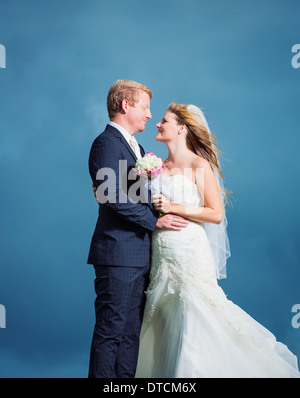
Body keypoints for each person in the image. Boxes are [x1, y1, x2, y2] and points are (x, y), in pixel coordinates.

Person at [135, 103, 300, 378]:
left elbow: (215, 212)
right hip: (161, 254)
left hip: (188, 250)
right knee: (163, 320)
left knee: (194, 313)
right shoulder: (157, 166)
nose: (157, 124)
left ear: (182, 128)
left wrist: (175, 207)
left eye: (164, 120)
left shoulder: (199, 164)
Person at [87, 81, 189, 378]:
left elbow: (137, 196)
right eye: (145, 107)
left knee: (131, 335)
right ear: (125, 105)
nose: (148, 115)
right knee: (110, 332)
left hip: (139, 256)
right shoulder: (105, 143)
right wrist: (155, 221)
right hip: (117, 253)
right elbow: (111, 196)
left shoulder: (138, 148)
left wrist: (169, 207)